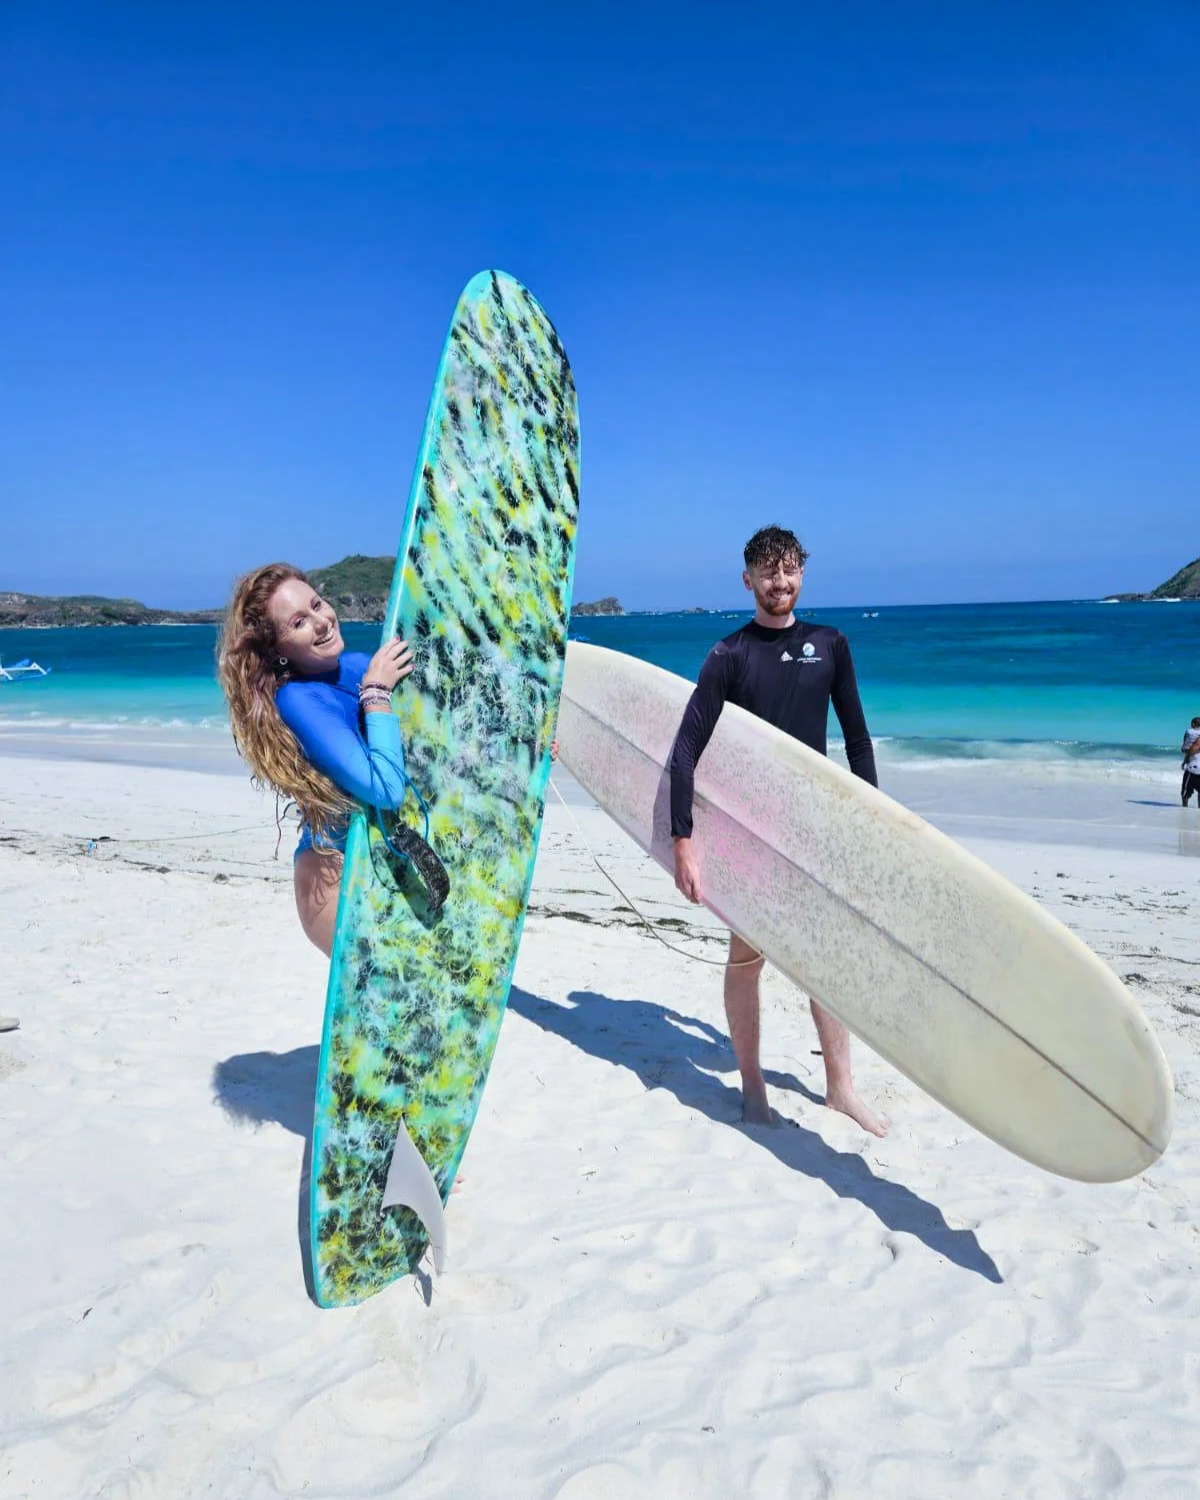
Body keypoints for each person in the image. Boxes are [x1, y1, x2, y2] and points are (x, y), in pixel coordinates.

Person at [669, 525, 887, 1137]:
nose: (780, 583)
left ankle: (841, 1088)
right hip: (749, 832)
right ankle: (753, 1086)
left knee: (825, 961)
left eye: (789, 571)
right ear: (748, 580)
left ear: (802, 575)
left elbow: (859, 740)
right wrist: (683, 839)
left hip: (813, 827)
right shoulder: (729, 655)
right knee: (747, 958)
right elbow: (685, 750)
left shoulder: (831, 644)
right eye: (768, 573)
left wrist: (874, 824)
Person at [218, 563, 417, 957]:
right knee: (376, 1009)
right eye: (298, 622)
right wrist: (377, 692)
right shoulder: (298, 700)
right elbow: (386, 788)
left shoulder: (361, 664)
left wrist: (524, 753)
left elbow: (425, 740)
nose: (322, 622)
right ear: (277, 651)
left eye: (317, 604)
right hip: (334, 873)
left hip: (390, 856)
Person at [1181, 717, 1200, 807]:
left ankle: (1184, 811)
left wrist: (1184, 762)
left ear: (1192, 724)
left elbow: (1186, 749)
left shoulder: (1189, 732)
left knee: (1185, 793)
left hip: (1192, 768)